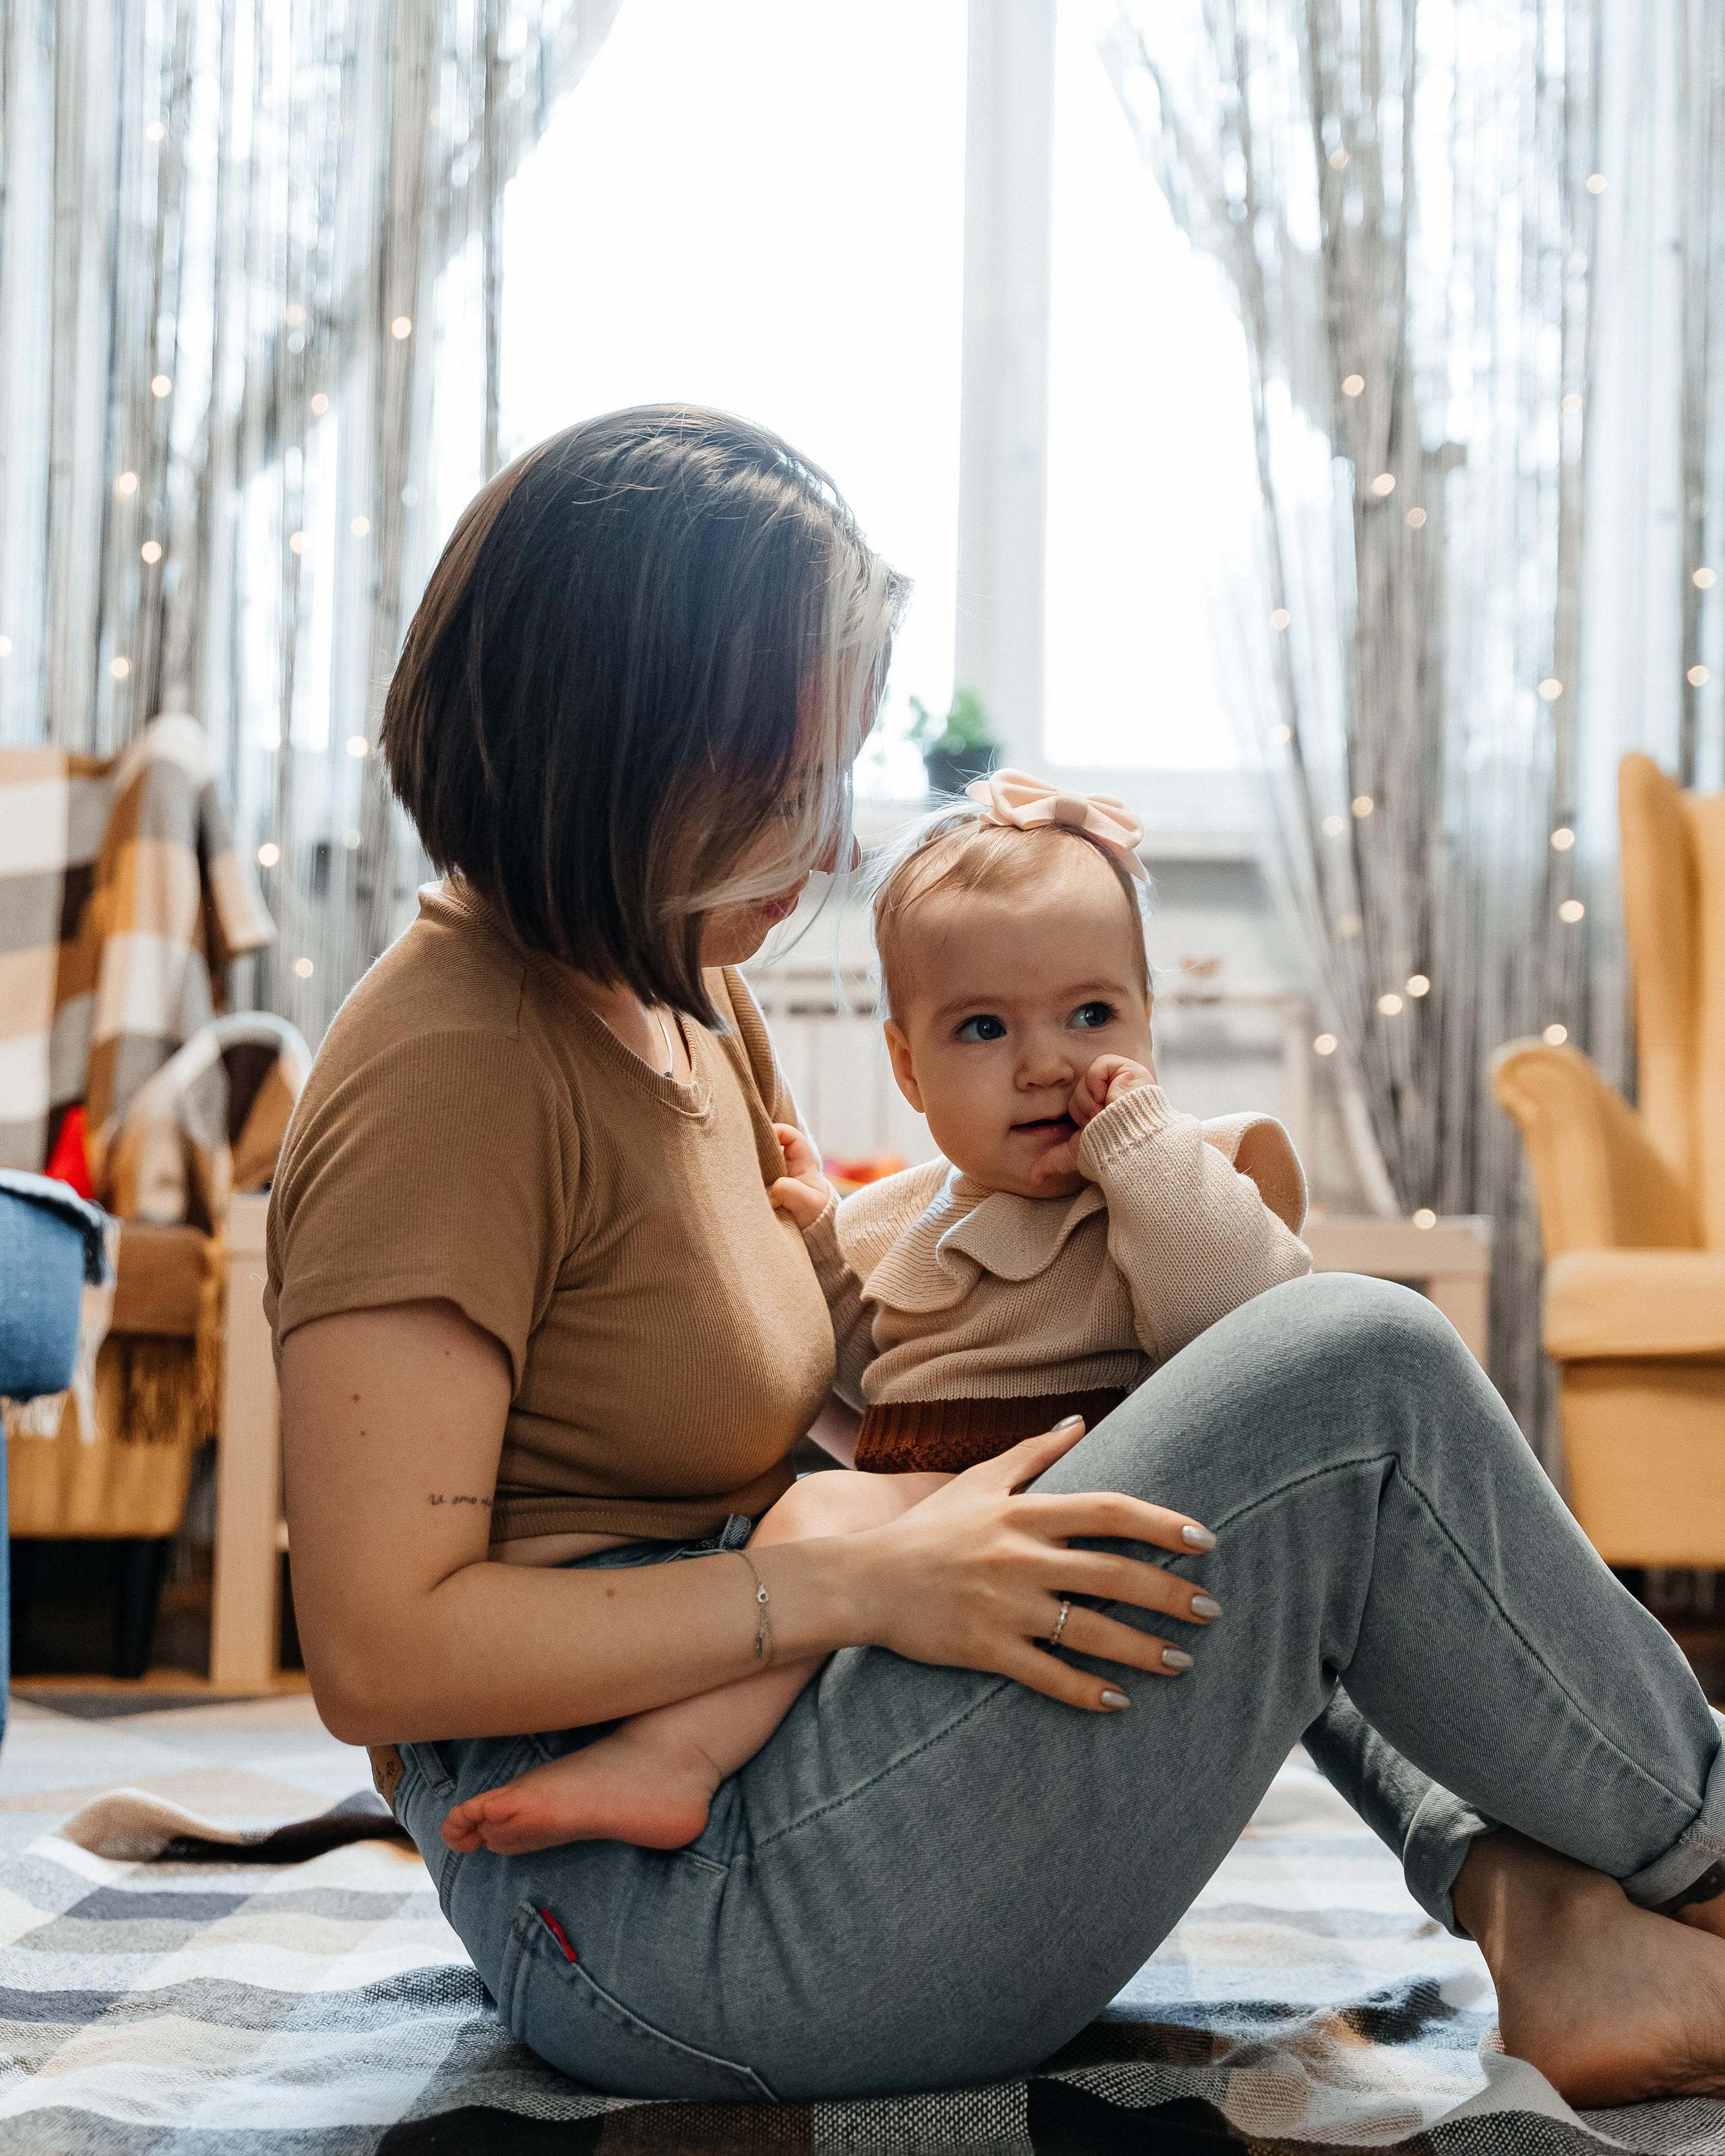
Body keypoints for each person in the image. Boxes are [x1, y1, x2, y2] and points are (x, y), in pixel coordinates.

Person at [274, 404, 1725, 2112]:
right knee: (1358, 1375)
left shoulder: (678, 987)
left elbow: (811, 1364)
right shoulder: (440, 1068)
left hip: (770, 1726)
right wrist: (845, 1578)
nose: (823, 848)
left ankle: (1544, 1908)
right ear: (622, 748)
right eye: (777, 787)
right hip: (644, 1915)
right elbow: (377, 1656)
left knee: (1210, 1422)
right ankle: (1704, 1851)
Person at [439, 772, 1314, 1858]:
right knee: (805, 1520)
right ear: (908, 1065)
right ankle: (682, 1757)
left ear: (1147, 1018)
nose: (1047, 1064)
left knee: (820, 1523)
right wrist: (812, 1245)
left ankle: (674, 1759)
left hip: (1097, 1496)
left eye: (1093, 1016)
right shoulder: (902, 1216)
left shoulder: (1171, 1177)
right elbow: (872, 1367)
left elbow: (1257, 1328)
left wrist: (1139, 1145)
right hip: (930, 1507)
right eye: (984, 1028)